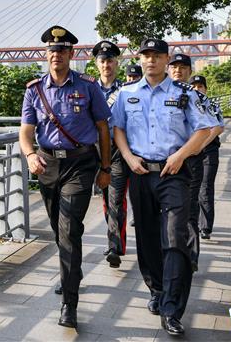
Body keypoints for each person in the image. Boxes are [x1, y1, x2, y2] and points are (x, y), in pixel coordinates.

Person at [110, 39, 216, 336]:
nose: (151, 60)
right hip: (140, 173)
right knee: (145, 237)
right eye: (146, 56)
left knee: (174, 238)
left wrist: (180, 155)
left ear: (166, 60)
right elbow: (117, 128)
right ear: (140, 59)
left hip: (174, 174)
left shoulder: (185, 94)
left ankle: (172, 308)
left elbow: (204, 130)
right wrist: (128, 157)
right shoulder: (126, 94)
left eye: (157, 56)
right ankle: (156, 289)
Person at [20, 25, 112, 330]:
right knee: (60, 232)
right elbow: (25, 132)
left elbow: (102, 129)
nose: (56, 55)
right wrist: (30, 154)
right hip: (47, 166)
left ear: (71, 54)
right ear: (46, 55)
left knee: (69, 229)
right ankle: (72, 272)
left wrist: (106, 168)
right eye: (51, 51)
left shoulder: (87, 86)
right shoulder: (34, 89)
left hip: (80, 165)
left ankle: (69, 303)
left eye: (61, 50)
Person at [167, 53, 224, 271]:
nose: (178, 71)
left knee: (191, 208)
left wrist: (197, 147)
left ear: (189, 71)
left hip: (191, 160)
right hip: (167, 161)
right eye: (174, 67)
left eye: (183, 67)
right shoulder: (157, 94)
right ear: (168, 69)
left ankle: (191, 256)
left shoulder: (198, 97)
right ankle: (170, 254)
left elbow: (214, 125)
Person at [92, 40, 128, 269]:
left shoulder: (127, 90)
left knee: (115, 198)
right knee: (105, 199)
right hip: (92, 150)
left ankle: (114, 246)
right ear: (96, 64)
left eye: (111, 61)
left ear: (117, 63)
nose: (107, 65)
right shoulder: (88, 89)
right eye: (103, 61)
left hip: (117, 150)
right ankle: (116, 240)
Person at [189, 74, 225, 239]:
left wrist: (202, 144)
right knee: (191, 188)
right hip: (190, 152)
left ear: (205, 88)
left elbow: (217, 128)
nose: (197, 89)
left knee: (205, 188)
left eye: (200, 86)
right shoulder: (187, 105)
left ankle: (206, 227)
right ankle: (192, 222)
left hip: (208, 151)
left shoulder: (213, 105)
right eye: (194, 86)